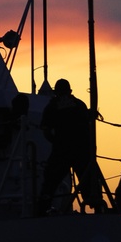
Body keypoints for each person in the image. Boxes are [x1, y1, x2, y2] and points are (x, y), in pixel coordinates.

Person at [38, 78, 93, 215]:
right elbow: (87, 128)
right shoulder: (79, 104)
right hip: (81, 150)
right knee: (87, 179)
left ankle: (43, 206)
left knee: (50, 179)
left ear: (56, 92)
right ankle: (95, 203)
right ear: (70, 91)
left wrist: (56, 141)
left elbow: (46, 130)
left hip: (62, 150)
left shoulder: (52, 107)